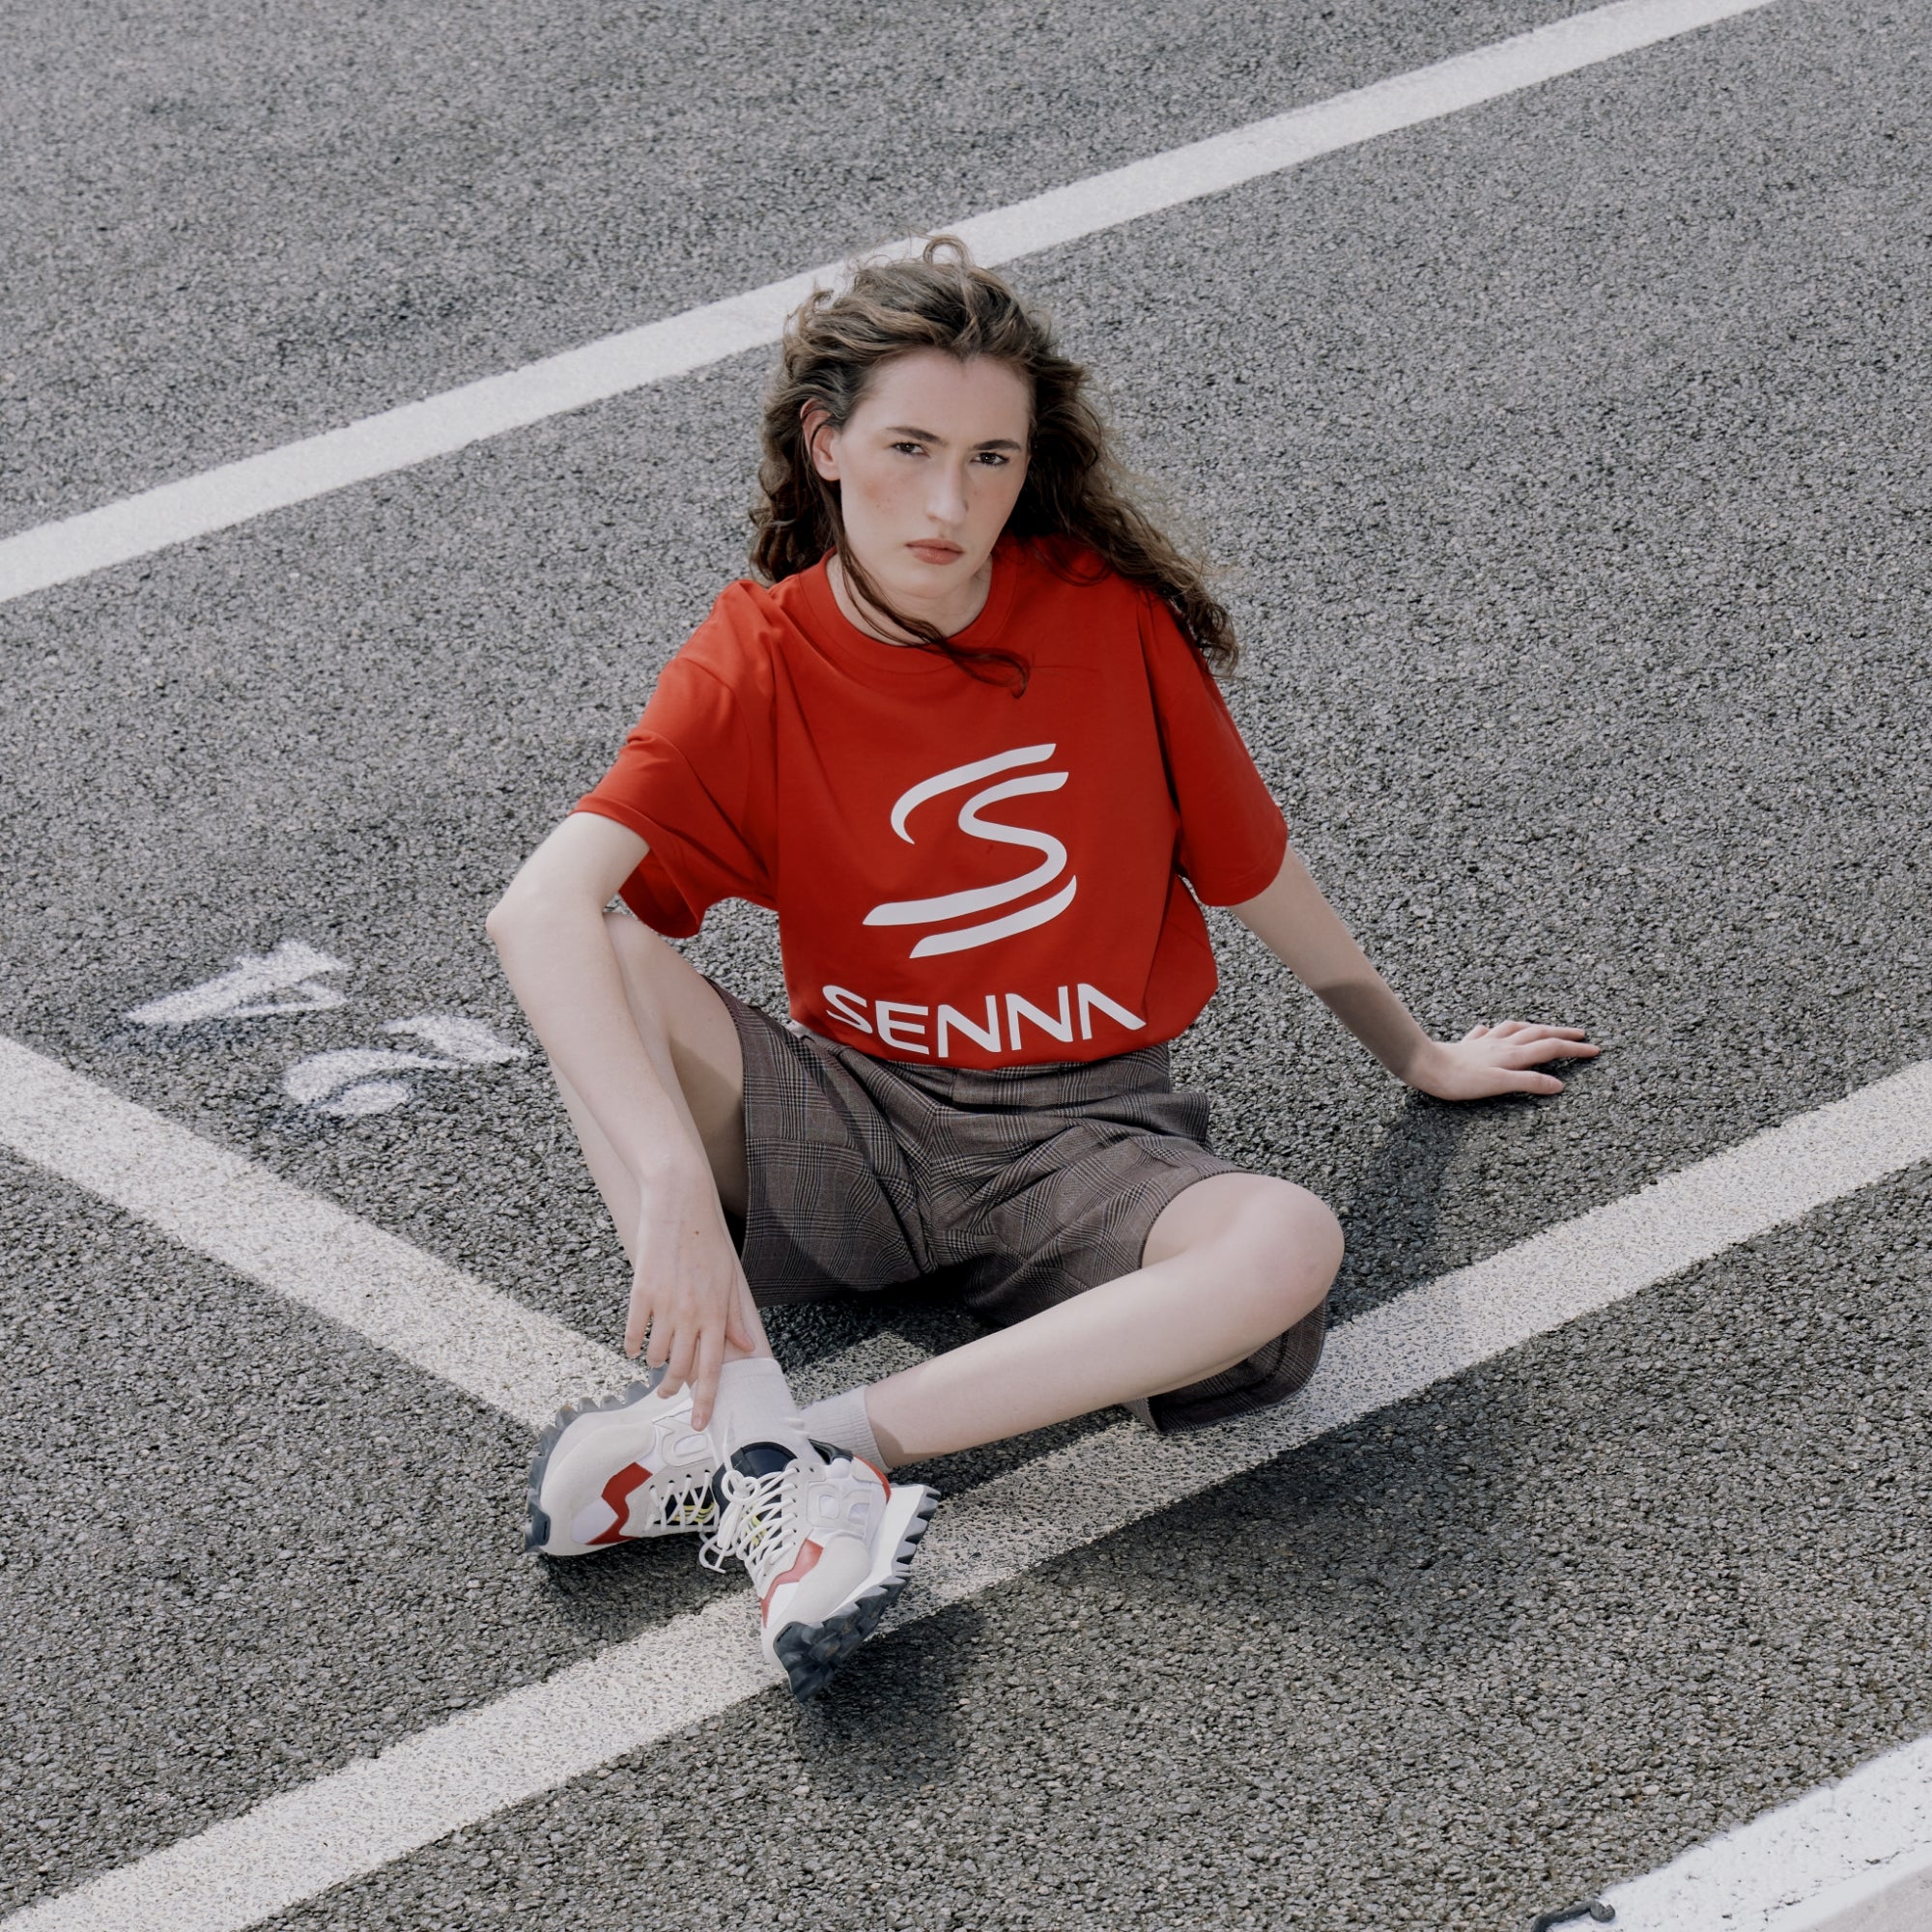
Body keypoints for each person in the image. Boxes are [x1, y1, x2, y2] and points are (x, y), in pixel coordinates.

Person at [487, 238, 1598, 1698]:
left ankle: (796, 1450)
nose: (951, 504)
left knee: (1285, 1244)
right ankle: (764, 1456)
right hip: (857, 1119)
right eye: (908, 449)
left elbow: (1249, 865)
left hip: (1083, 1139)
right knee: (607, 936)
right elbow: (537, 914)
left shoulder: (1105, 622)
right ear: (826, 446)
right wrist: (678, 1190)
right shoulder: (752, 659)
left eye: (992, 458)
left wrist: (1417, 1054)